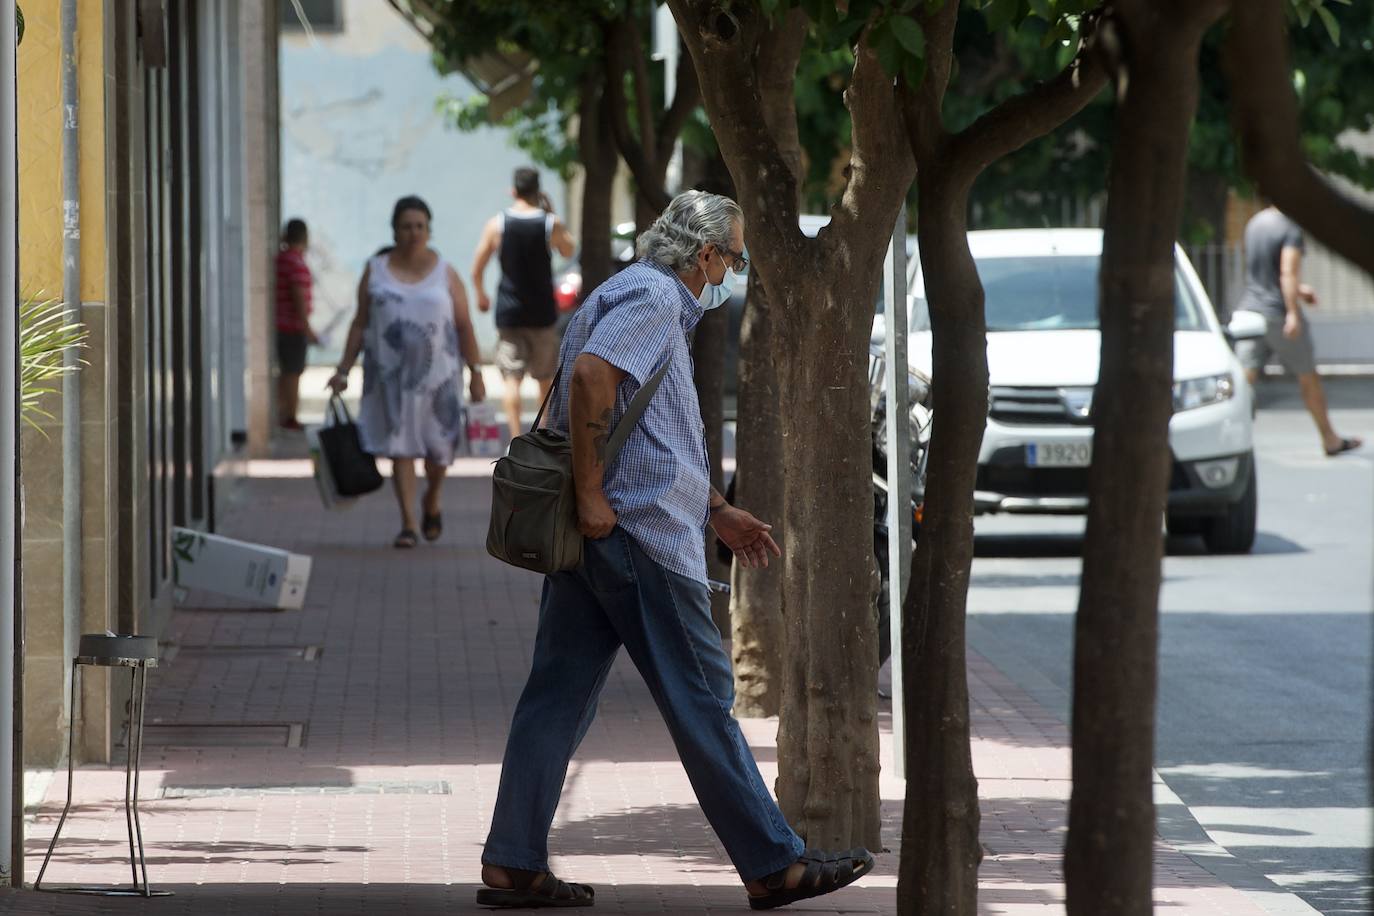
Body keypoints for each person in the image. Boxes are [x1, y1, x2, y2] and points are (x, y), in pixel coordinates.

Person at [477, 191, 874, 911]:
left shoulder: (628, 290)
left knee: (556, 699)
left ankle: (512, 859)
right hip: (638, 537)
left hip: (609, 533)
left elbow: (656, 428)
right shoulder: (655, 297)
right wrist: (595, 492)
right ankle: (773, 863)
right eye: (735, 258)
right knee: (702, 702)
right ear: (706, 255)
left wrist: (717, 510)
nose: (734, 271)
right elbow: (595, 377)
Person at [328, 196, 486, 548]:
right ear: (394, 230)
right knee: (400, 448)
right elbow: (359, 323)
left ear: (429, 231)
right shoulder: (376, 269)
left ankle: (432, 498)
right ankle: (409, 524)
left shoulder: (445, 271)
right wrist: (343, 369)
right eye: (406, 226)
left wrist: (476, 371)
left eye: (420, 226)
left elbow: (464, 325)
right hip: (390, 380)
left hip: (440, 381)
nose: (413, 232)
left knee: (439, 451)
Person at [1233, 205, 1362, 457]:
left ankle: (1227, 440)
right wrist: (1293, 312)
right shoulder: (1290, 227)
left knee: (1243, 383)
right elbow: (1286, 272)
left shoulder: (1255, 223)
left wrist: (1299, 290)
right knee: (1308, 377)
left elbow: (1264, 274)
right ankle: (1330, 439)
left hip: (1250, 311)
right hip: (1277, 314)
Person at [471, 166, 576, 442]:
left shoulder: (498, 224)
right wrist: (551, 212)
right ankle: (541, 438)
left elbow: (477, 266)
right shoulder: (549, 224)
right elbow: (568, 250)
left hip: (509, 313)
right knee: (544, 379)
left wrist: (481, 294)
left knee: (511, 379)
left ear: (513, 191)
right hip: (542, 313)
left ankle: (517, 440)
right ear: (538, 191)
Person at [275, 218, 317, 431]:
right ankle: (289, 415)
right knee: (293, 373)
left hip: (283, 325)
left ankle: (283, 412)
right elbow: (298, 296)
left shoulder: (282, 259)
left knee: (287, 372)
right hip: (292, 327)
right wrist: (307, 327)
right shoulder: (295, 262)